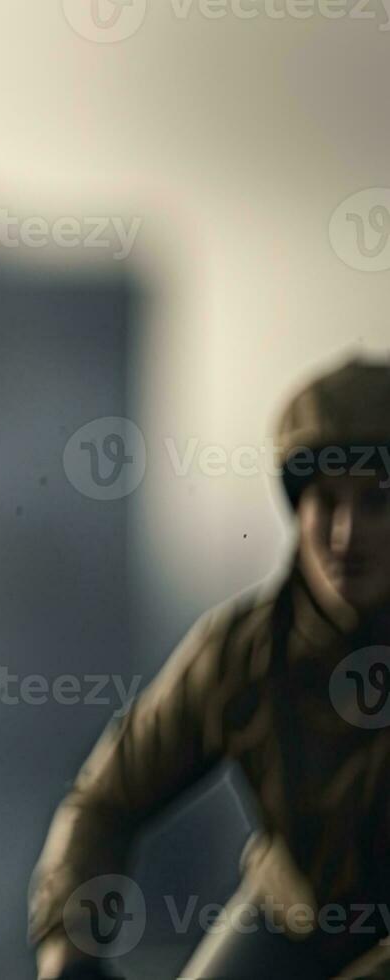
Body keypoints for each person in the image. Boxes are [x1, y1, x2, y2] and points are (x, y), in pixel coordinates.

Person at [27, 355, 390, 979]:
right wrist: (69, 945)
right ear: (296, 512)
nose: (346, 533)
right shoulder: (240, 652)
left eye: (377, 502)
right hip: (291, 913)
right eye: (325, 501)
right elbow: (107, 798)